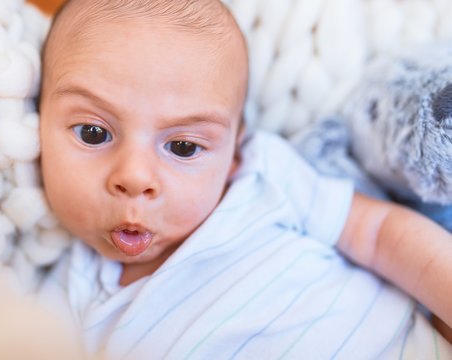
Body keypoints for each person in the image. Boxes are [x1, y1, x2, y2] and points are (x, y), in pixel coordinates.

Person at [37, 0, 452, 358]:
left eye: (183, 147)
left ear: (234, 150)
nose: (134, 177)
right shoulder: (61, 291)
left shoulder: (264, 176)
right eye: (93, 133)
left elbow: (378, 233)